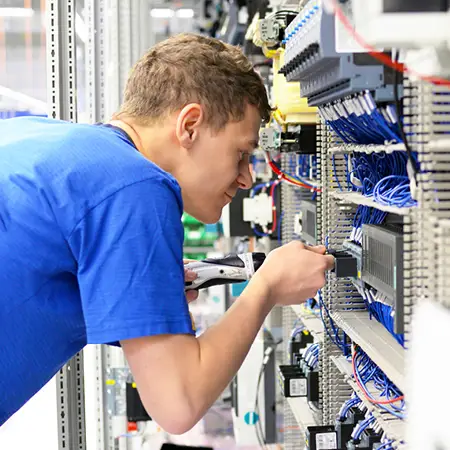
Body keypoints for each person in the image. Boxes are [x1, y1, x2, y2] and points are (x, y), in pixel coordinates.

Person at [0, 33, 334, 432]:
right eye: (241, 153)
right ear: (190, 125)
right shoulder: (134, 186)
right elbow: (179, 402)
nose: (247, 178)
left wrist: (148, 285)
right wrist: (267, 288)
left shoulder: (45, 138)